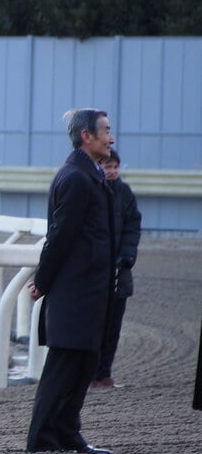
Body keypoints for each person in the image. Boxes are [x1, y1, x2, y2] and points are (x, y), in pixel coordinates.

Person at [27, 108, 116, 454]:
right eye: (106, 131)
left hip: (89, 289)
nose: (111, 137)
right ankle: (43, 438)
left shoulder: (89, 175)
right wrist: (43, 281)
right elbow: (60, 236)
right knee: (64, 364)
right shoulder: (77, 178)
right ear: (86, 137)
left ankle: (66, 433)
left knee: (83, 361)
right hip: (74, 290)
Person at [92, 150, 141, 389]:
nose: (111, 171)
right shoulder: (91, 190)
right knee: (93, 326)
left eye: (114, 167)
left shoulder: (124, 192)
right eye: (107, 167)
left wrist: (127, 256)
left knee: (112, 328)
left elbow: (133, 225)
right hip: (94, 272)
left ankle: (103, 375)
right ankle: (88, 375)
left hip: (120, 272)